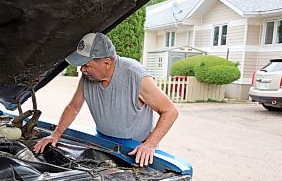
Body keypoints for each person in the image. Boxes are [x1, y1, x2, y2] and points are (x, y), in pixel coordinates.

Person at [33, 32, 178, 167]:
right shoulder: (87, 78)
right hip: (103, 142)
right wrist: (55, 135)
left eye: (86, 65)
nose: (82, 70)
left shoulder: (135, 75)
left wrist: (150, 145)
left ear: (107, 62)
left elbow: (170, 111)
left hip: (135, 149)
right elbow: (73, 107)